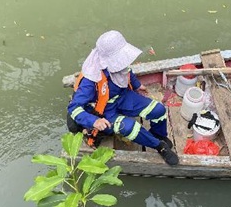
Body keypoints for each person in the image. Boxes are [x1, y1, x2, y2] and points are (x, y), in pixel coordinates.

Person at [67, 30, 179, 165]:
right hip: (104, 111)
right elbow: (74, 108)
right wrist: (95, 121)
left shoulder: (116, 64)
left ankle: (158, 134)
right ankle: (159, 146)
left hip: (121, 97)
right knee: (129, 127)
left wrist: (137, 85)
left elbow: (126, 71)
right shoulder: (90, 80)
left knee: (158, 110)